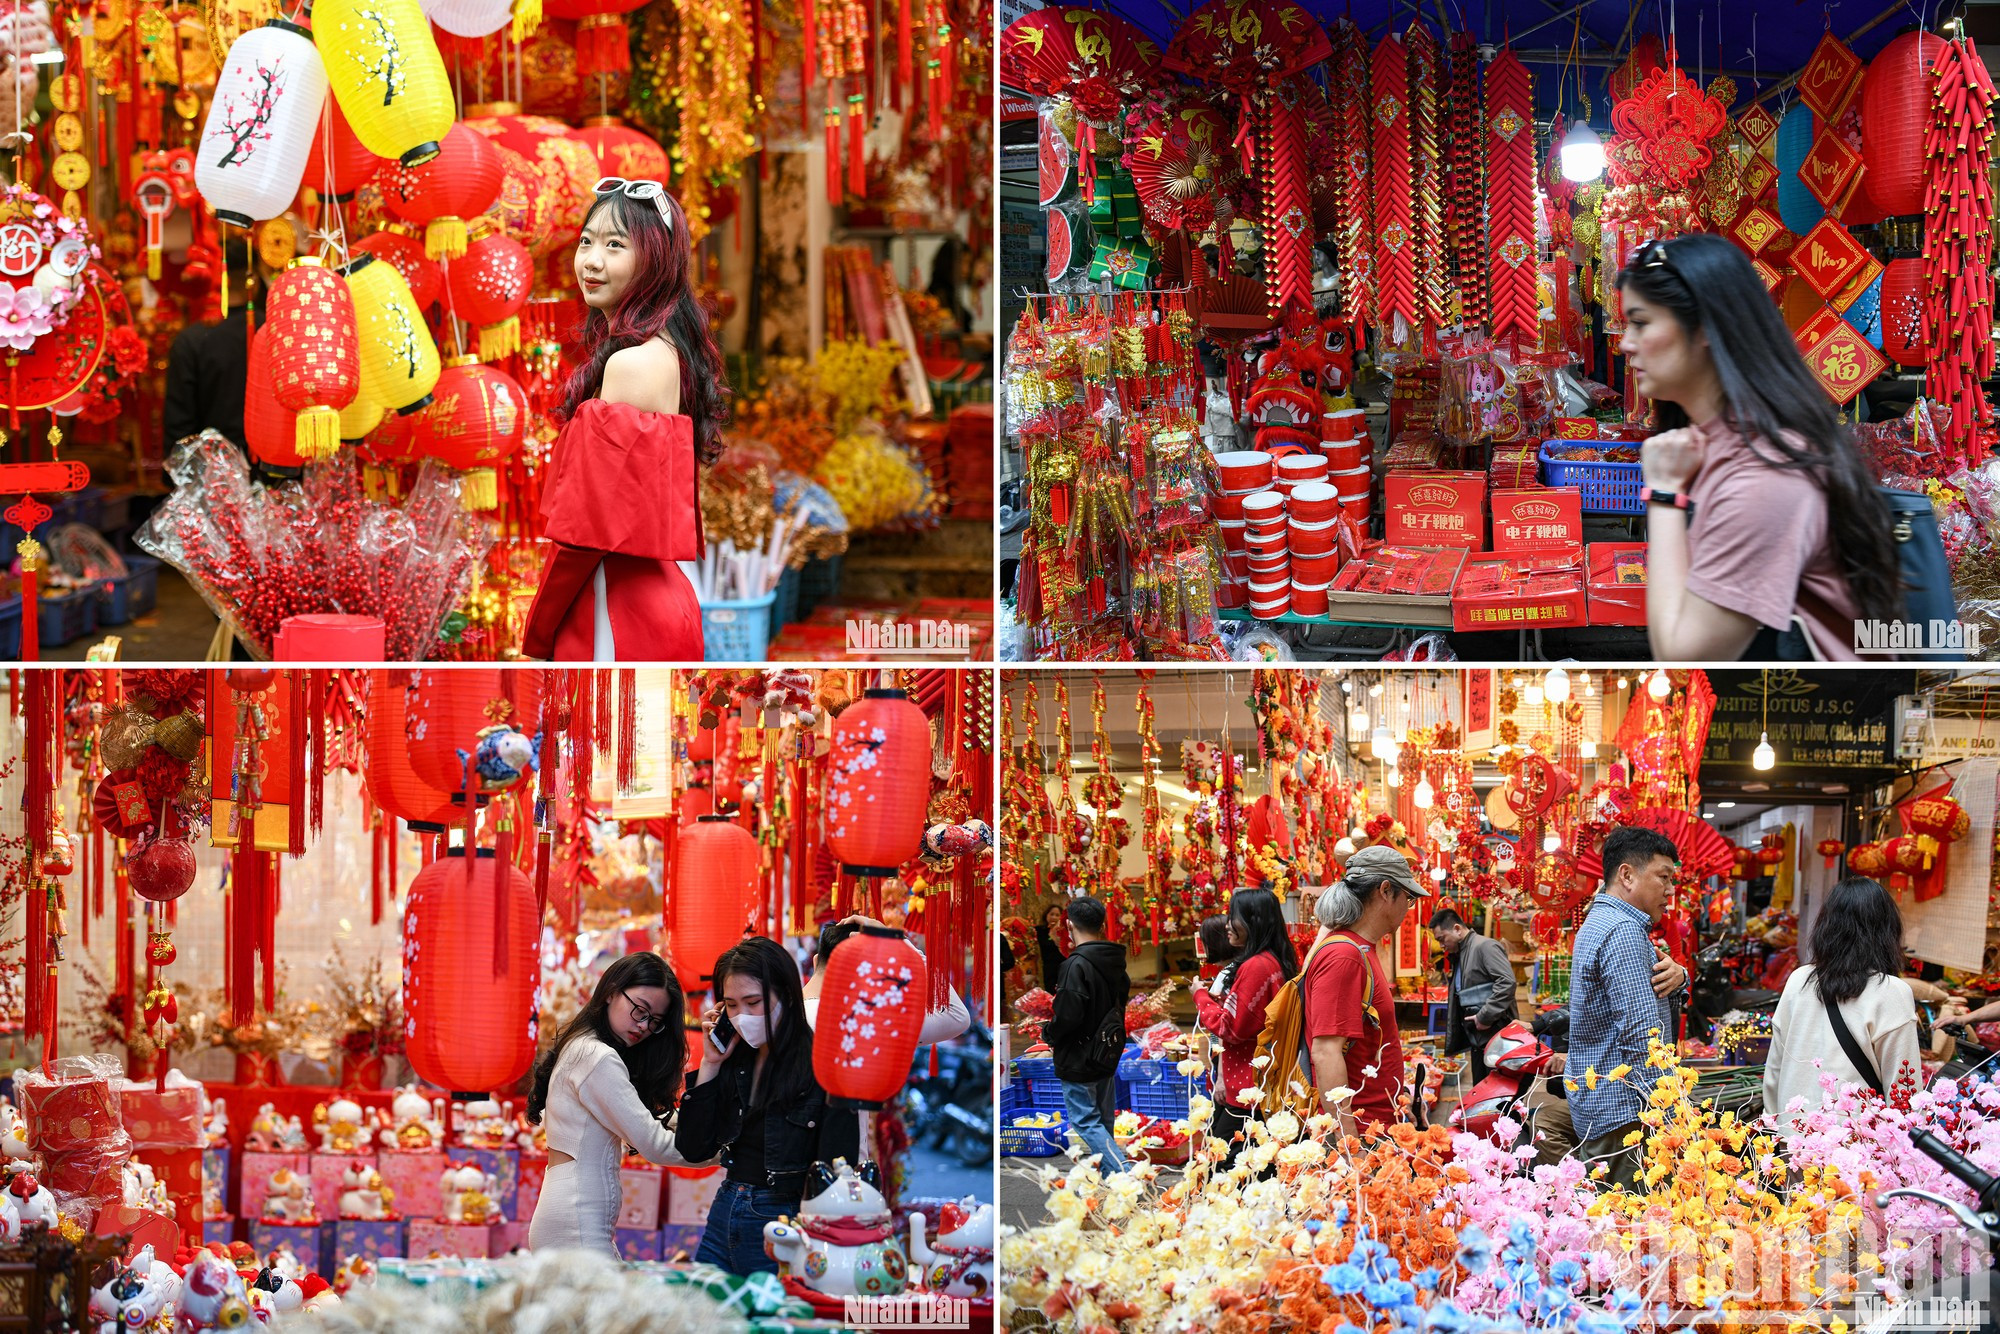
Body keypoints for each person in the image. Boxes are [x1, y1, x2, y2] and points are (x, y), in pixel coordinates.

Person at [1615, 233, 1901, 661]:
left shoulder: (1766, 474)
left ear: (1705, 327)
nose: (1625, 343)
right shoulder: (1721, 440)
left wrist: (1662, 494)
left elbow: (1682, 655)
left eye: (1640, 323)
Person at [521, 178, 730, 661]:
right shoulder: (666, 353)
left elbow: (584, 536)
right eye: (587, 242)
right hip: (651, 605)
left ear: (656, 259)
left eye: (616, 245)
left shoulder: (631, 365)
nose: (591, 261)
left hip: (614, 613)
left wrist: (538, 635)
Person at [677, 937, 860, 1275]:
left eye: (753, 1002)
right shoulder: (733, 1055)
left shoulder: (823, 1062)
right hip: (725, 1207)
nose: (741, 1016)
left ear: (787, 995)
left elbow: (837, 1168)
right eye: (731, 1005)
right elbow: (693, 1146)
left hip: (784, 1220)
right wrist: (711, 1063)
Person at [526, 952, 704, 1257]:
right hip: (576, 1221)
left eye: (655, 1021)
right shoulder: (597, 1057)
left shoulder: (583, 1046)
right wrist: (728, 1154)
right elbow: (655, 1145)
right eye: (640, 1010)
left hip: (569, 1215)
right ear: (611, 992)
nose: (644, 1026)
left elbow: (652, 1122)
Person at [1567, 826, 1692, 1189]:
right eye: (1663, 877)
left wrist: (1680, 978)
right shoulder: (1622, 930)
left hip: (1603, 1105)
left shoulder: (1602, 920)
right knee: (1632, 1226)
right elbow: (1643, 1038)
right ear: (1626, 875)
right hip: (1625, 1115)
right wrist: (1671, 1112)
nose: (1670, 890)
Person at [1764, 877, 1924, 1137]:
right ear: (1886, 931)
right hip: (1858, 1154)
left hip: (1795, 1145)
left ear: (1827, 926)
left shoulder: (1799, 980)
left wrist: (1776, 1133)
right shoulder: (1892, 992)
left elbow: (1775, 1069)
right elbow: (1904, 1090)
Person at [1303, 845, 1429, 1137]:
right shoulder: (1344, 956)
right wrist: (1350, 1145)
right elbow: (1325, 1051)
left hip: (1379, 1122)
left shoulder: (1360, 949)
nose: (1408, 908)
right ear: (1385, 891)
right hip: (1362, 1133)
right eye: (1408, 898)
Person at [1193, 889, 1298, 1163]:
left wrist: (1200, 997)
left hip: (1247, 1087)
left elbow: (1229, 1030)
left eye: (1233, 917)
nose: (1228, 925)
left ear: (1253, 921)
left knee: (1230, 1163)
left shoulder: (1254, 967)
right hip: (1259, 1082)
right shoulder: (1274, 961)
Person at [1042, 895, 1131, 1174]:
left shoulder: (1075, 965)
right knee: (1103, 1119)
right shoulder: (1115, 960)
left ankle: (1123, 1176)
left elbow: (1069, 1015)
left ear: (1069, 924)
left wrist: (1048, 1033)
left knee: (1085, 1121)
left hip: (1079, 1054)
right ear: (1102, 925)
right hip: (1106, 1050)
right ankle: (1111, 1182)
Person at [802, 914, 971, 1045]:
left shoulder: (784, 1008)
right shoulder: (861, 1021)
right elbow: (956, 1016)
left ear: (817, 961)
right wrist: (897, 942)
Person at [1430, 906, 1519, 1084]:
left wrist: (1484, 1016)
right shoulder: (1462, 952)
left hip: (1496, 1033)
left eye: (1442, 939)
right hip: (1480, 1037)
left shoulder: (1485, 946)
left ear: (1456, 929)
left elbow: (1507, 982)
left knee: (1500, 1090)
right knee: (1482, 1088)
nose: (1441, 945)